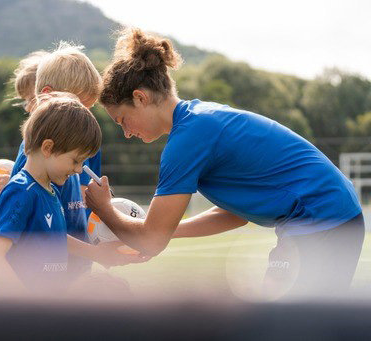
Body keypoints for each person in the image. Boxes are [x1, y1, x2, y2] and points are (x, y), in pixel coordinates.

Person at [85, 28, 365, 298]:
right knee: (302, 323)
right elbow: (235, 214)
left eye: (122, 120)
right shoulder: (198, 119)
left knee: (284, 323)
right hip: (337, 213)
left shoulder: (187, 139)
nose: (126, 132)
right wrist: (168, 231)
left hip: (320, 217)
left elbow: (151, 240)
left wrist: (104, 208)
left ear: (140, 97)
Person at [0, 44, 141, 283]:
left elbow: (85, 206)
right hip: (44, 281)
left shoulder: (80, 146)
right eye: (78, 107)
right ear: (48, 95)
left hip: (74, 273)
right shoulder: (30, 169)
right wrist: (97, 253)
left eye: (88, 110)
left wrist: (108, 224)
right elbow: (31, 236)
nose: (85, 118)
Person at [0, 93, 103, 293]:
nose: (80, 170)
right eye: (75, 161)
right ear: (47, 148)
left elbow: (54, 239)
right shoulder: (21, 191)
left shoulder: (50, 191)